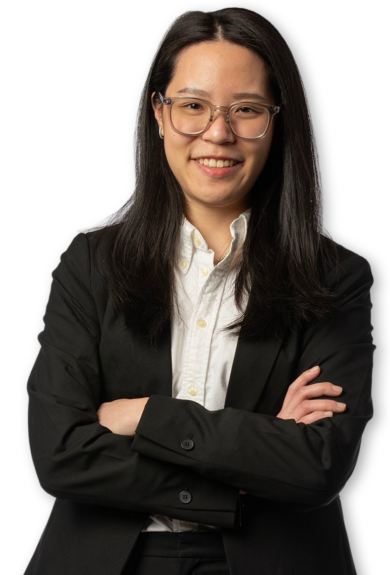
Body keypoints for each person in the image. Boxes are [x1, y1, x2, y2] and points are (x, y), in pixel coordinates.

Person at [24, 7, 374, 575]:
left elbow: (316, 466)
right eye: (193, 106)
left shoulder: (332, 276)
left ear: (276, 122)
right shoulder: (90, 263)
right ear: (159, 115)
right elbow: (61, 454)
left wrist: (144, 416)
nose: (218, 133)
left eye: (247, 110)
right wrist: (249, 467)